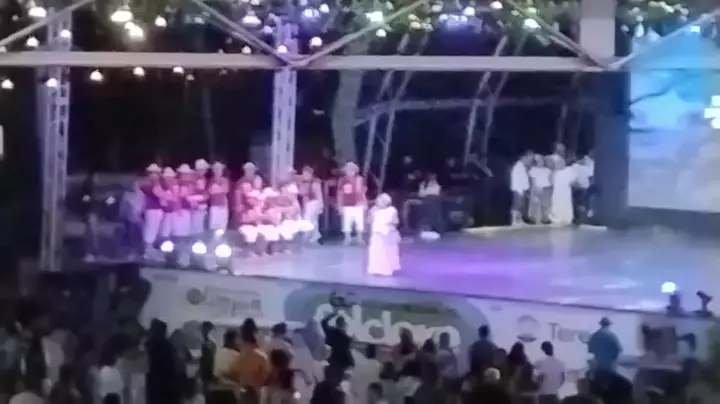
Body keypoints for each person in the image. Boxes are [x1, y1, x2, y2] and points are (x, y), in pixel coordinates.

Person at [367, 193, 401, 276]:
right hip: (376, 233)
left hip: (387, 233)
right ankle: (375, 268)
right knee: (375, 252)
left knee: (386, 253)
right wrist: (371, 214)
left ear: (386, 202)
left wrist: (389, 226)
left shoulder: (392, 210)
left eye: (381, 201)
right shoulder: (374, 209)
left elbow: (396, 222)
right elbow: (369, 221)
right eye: (378, 201)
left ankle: (386, 269)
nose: (378, 202)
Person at [336, 162, 367, 245]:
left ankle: (359, 238)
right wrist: (339, 205)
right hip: (347, 205)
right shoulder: (342, 180)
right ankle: (347, 238)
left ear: (355, 171)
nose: (350, 172)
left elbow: (363, 192)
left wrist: (365, 202)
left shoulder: (360, 179)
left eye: (352, 170)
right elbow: (339, 193)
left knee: (359, 222)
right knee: (346, 222)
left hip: (358, 204)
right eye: (348, 170)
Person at [142, 164, 164, 257]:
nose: (155, 175)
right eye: (153, 173)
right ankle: (148, 249)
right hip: (151, 209)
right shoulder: (147, 185)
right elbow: (160, 195)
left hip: (157, 209)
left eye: (156, 173)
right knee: (151, 229)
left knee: (154, 229)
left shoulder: (156, 184)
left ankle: (150, 248)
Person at [298, 166, 324, 244]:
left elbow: (319, 194)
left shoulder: (315, 182)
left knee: (308, 219)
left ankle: (308, 236)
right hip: (307, 203)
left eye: (307, 173)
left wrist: (321, 205)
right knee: (313, 220)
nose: (305, 175)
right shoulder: (302, 182)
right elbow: (301, 193)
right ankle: (316, 235)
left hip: (314, 202)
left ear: (311, 174)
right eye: (304, 173)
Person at [550, 159, 577, 225]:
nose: (559, 165)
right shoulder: (554, 172)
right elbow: (551, 181)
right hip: (557, 191)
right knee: (557, 204)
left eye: (561, 163)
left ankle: (567, 218)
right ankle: (557, 218)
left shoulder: (569, 170)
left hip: (565, 191)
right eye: (557, 163)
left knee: (566, 204)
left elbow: (574, 180)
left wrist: (571, 183)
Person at [417, 173, 442, 240]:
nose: (432, 179)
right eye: (431, 178)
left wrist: (423, 187)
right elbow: (421, 194)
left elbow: (424, 194)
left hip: (432, 205)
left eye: (433, 178)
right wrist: (422, 186)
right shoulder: (428, 185)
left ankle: (431, 228)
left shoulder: (437, 186)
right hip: (426, 205)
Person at [528, 155, 553, 224]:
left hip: (546, 188)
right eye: (537, 161)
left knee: (545, 205)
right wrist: (533, 189)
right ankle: (532, 218)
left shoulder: (548, 170)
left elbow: (550, 179)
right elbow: (532, 180)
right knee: (534, 204)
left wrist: (551, 188)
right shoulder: (533, 169)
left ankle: (545, 218)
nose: (539, 162)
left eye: (540, 160)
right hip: (537, 188)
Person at [510, 152, 532, 225]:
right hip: (518, 189)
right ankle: (514, 221)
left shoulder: (522, 167)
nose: (530, 161)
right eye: (529, 159)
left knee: (521, 205)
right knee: (517, 205)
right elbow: (519, 180)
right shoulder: (518, 167)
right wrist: (524, 189)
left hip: (521, 189)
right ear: (524, 157)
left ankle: (519, 220)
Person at [207, 162, 230, 234]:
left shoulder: (225, 180)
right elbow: (210, 191)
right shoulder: (211, 181)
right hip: (214, 205)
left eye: (219, 169)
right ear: (213, 171)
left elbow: (225, 190)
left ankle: (222, 239)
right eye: (216, 169)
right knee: (214, 226)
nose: (218, 171)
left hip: (223, 205)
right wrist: (219, 189)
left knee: (222, 226)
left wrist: (216, 189)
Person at [190, 159, 210, 236]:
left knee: (200, 225)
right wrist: (196, 201)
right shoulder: (192, 177)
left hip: (202, 205)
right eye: (203, 169)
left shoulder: (203, 178)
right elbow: (190, 192)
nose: (205, 171)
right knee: (194, 225)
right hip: (195, 205)